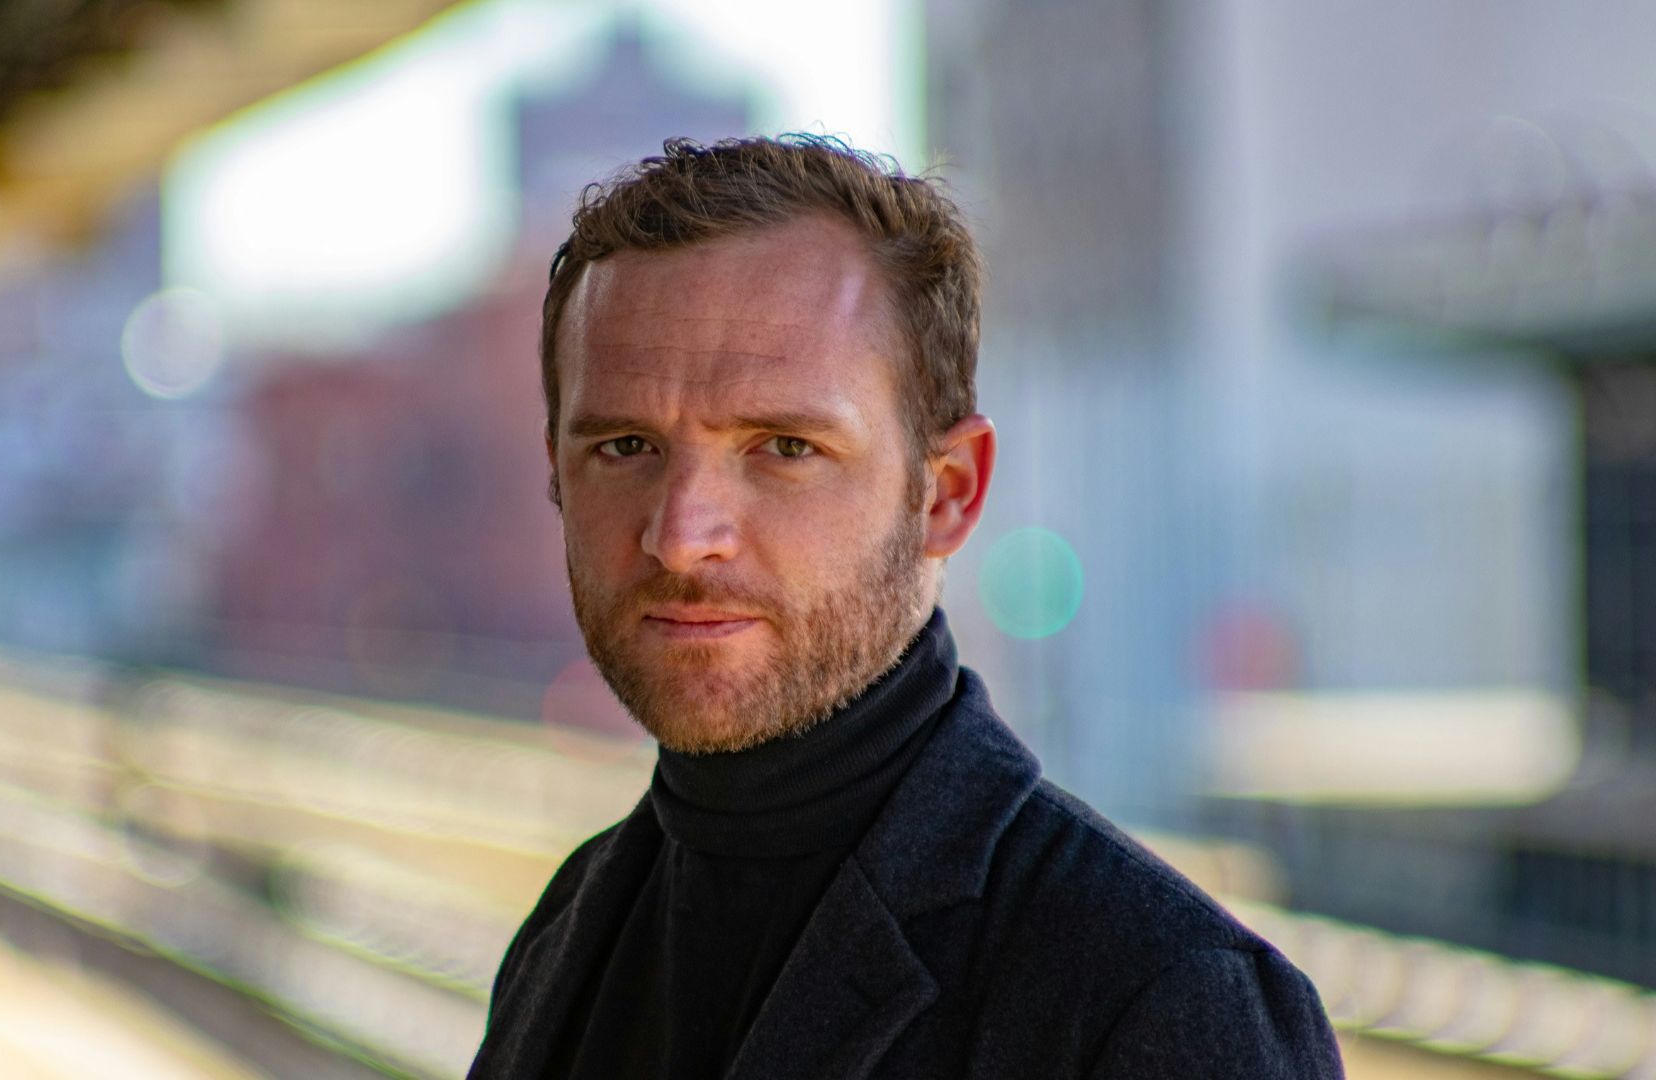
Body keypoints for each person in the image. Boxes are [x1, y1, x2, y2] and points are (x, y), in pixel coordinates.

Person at [468, 135, 1344, 1079]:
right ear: (557, 473)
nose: (681, 538)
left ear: (947, 493)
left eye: (785, 447)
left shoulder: (1163, 995)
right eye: (626, 447)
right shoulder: (565, 929)